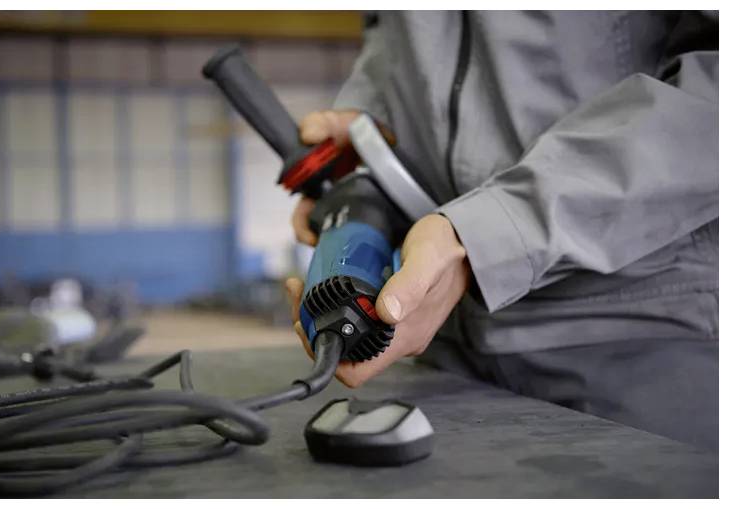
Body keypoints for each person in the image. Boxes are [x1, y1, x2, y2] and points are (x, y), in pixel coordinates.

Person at [282, 11, 719, 450]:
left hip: (629, 336)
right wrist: (373, 118)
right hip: (445, 348)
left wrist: (489, 234)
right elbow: (393, 29)